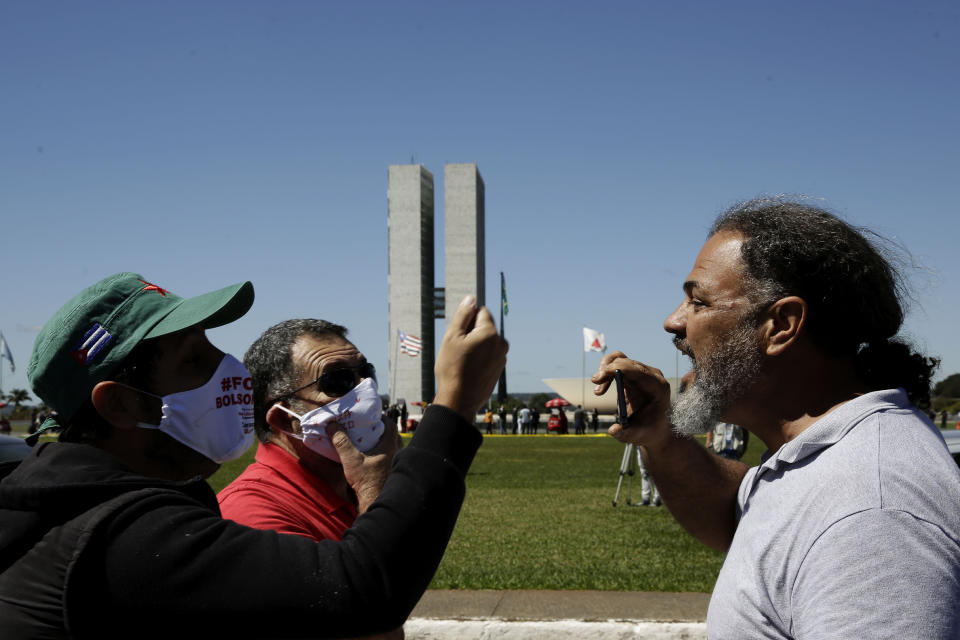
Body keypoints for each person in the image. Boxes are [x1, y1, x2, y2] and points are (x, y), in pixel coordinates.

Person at [0, 273, 507, 638]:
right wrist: (455, 408)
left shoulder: (88, 505)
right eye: (193, 360)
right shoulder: (123, 534)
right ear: (120, 403)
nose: (229, 372)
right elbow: (362, 593)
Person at [592, 198, 960, 638]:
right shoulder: (826, 459)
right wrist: (663, 437)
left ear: (782, 324)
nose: (673, 322)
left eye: (699, 301)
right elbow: (741, 518)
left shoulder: (873, 516)